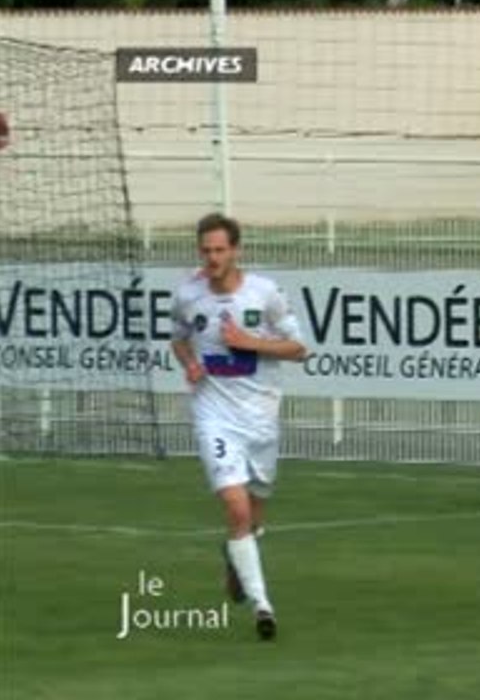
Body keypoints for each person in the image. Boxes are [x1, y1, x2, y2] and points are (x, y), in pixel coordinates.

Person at [170, 213, 308, 639]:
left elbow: (300, 348)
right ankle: (263, 607)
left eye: (219, 250)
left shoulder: (264, 293)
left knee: (252, 517)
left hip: (261, 418)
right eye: (206, 250)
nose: (212, 258)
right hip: (214, 415)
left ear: (236, 251)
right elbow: (178, 337)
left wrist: (250, 342)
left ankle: (236, 555)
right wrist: (190, 363)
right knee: (236, 508)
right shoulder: (188, 294)